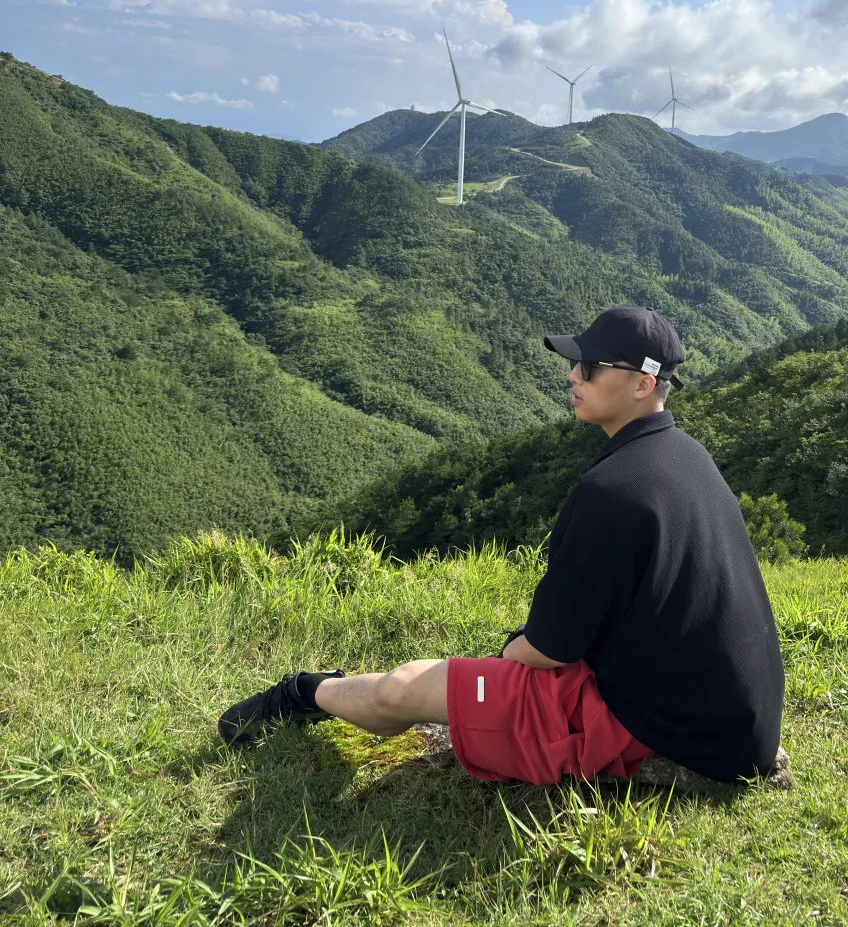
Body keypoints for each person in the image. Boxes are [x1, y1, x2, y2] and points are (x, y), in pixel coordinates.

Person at [218, 305, 785, 786]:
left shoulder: (615, 491)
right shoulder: (688, 456)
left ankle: (302, 693)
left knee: (403, 690)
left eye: (588, 366)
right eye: (573, 363)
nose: (573, 376)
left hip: (669, 731)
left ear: (642, 384)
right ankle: (327, 691)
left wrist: (500, 662)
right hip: (726, 716)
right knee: (442, 678)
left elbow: (549, 649)